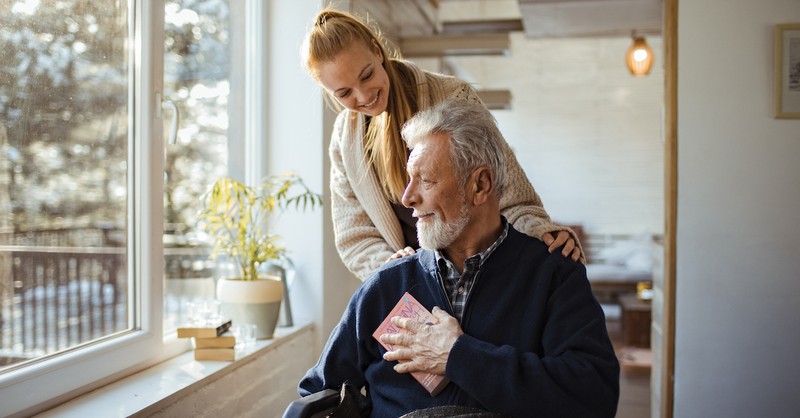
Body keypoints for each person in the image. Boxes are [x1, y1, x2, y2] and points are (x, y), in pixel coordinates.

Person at [297, 101, 620, 417]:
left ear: (480, 185)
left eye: (425, 180)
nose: (407, 197)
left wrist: (458, 355)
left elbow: (593, 397)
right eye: (409, 179)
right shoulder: (387, 284)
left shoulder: (553, 273)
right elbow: (318, 393)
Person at [301, 8, 583, 281]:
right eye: (345, 93)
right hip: (412, 285)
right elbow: (355, 236)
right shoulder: (344, 140)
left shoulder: (453, 96)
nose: (364, 95)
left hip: (483, 272)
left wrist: (543, 234)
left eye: (367, 75)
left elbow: (508, 191)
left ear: (377, 51)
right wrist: (388, 269)